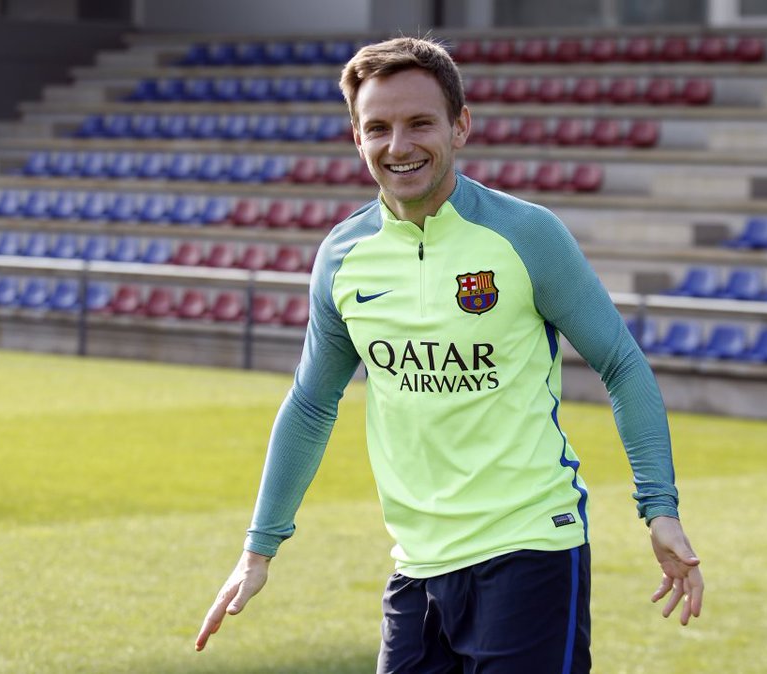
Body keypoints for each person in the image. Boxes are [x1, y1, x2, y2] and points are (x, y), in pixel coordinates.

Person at [196, 36, 703, 671]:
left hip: (530, 548)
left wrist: (659, 508)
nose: (398, 146)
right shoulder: (343, 257)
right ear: (356, 137)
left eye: (419, 123)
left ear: (460, 126)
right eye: (377, 128)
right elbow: (311, 402)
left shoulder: (526, 234)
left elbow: (621, 364)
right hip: (417, 564)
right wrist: (259, 548)